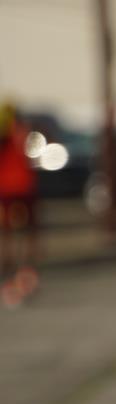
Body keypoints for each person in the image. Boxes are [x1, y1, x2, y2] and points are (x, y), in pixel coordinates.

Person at [0, 102, 40, 307]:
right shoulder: (14, 136)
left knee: (22, 226)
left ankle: (23, 257)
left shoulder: (21, 135)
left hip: (18, 186)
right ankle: (14, 257)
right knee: (13, 226)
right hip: (13, 186)